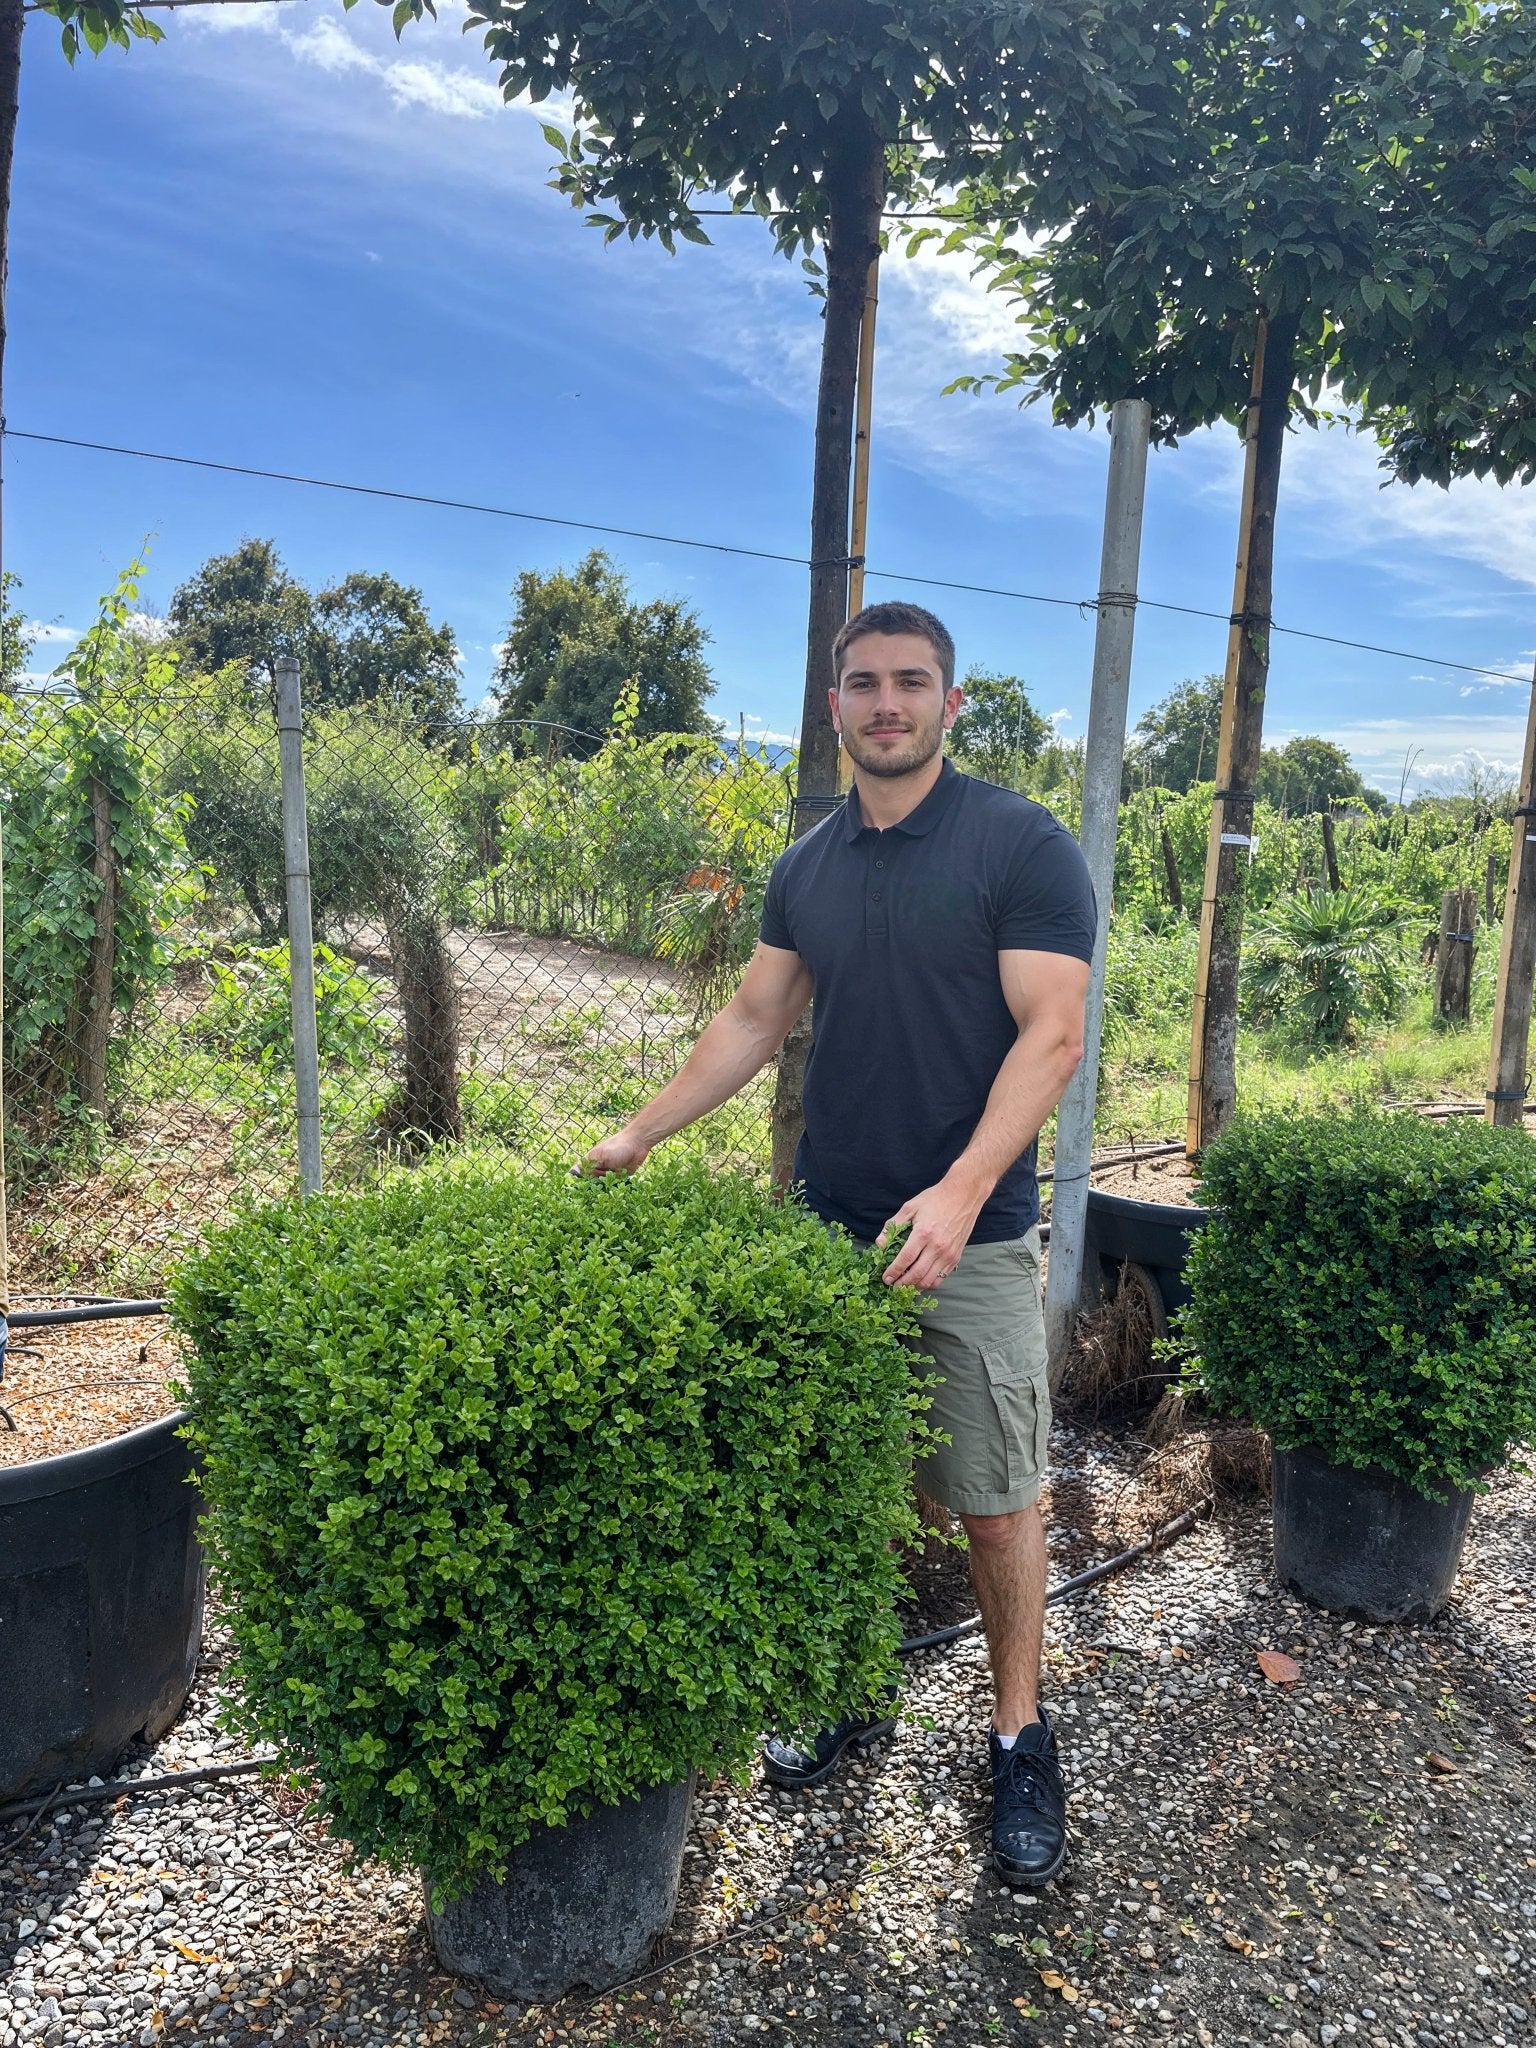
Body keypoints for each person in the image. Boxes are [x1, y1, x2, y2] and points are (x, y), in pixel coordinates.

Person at [585, 600, 1095, 1888]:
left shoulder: (1018, 846)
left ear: (950, 703)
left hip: (970, 1239)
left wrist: (964, 1190)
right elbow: (756, 1018)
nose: (886, 704)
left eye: (911, 683)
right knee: (841, 1486)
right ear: (832, 708)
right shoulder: (805, 866)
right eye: (862, 684)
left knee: (994, 1500)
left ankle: (1020, 1733)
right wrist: (638, 1135)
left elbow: (1054, 1038)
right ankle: (845, 1683)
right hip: (827, 1233)